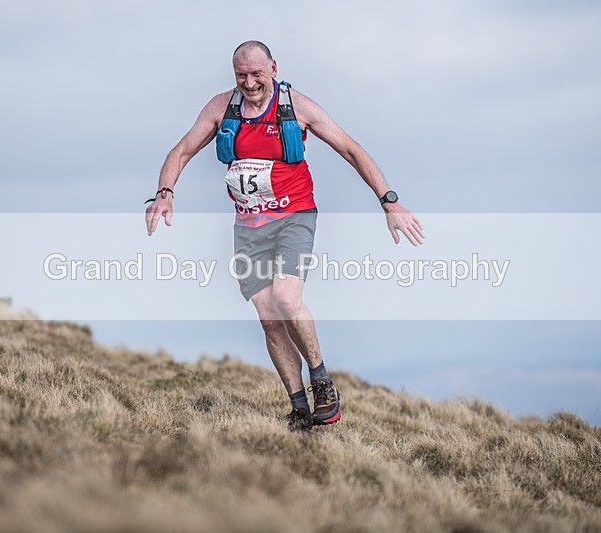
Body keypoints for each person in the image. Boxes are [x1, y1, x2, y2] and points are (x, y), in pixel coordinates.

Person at [145, 41, 424, 431]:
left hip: (294, 216)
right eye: (241, 75)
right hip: (248, 225)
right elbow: (180, 152)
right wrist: (165, 195)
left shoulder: (297, 106)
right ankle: (299, 408)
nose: (249, 82)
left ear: (273, 68)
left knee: (286, 298)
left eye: (257, 73)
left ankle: (322, 381)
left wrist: (389, 202)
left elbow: (350, 149)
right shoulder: (221, 108)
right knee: (269, 319)